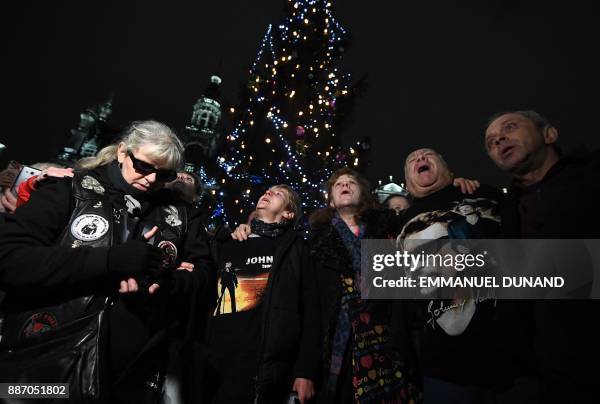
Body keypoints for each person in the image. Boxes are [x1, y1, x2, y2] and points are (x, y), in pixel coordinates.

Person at [0, 120, 211, 403]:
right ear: (123, 152)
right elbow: (10, 259)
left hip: (128, 380)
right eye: (144, 167)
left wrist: (165, 281)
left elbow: (204, 278)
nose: (151, 180)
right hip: (39, 370)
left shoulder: (182, 216)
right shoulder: (70, 189)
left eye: (163, 175)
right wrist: (109, 261)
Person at [485, 110, 600, 403]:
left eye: (510, 127)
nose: (499, 139)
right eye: (491, 142)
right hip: (554, 369)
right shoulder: (505, 210)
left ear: (549, 134)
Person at [396, 148, 537, 404]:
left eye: (428, 155)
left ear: (450, 171)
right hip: (444, 366)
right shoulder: (399, 223)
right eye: (412, 160)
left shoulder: (486, 195)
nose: (420, 159)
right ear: (407, 183)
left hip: (513, 353)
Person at [202, 184, 319, 404]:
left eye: (278, 194)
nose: (268, 193)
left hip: (266, 370)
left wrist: (306, 371)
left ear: (288, 213)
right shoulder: (227, 242)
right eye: (267, 190)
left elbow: (311, 312)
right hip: (217, 365)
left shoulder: (296, 249)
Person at [309, 167, 417, 403]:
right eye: (338, 184)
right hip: (340, 341)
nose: (345, 185)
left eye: (351, 183)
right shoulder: (315, 242)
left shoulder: (387, 230)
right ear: (330, 199)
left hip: (387, 336)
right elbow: (312, 307)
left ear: (364, 196)